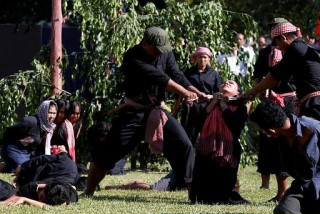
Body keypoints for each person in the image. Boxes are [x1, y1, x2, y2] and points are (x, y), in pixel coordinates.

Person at [84, 26, 205, 197]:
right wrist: (185, 93)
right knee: (109, 152)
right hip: (134, 112)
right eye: (156, 49)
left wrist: (195, 91)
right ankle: (88, 191)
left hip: (158, 110)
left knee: (183, 145)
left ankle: (195, 194)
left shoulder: (165, 52)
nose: (160, 53)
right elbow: (160, 78)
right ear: (146, 44)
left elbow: (176, 75)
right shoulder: (132, 57)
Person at [250, 100, 320, 214]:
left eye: (264, 130)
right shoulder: (281, 139)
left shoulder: (310, 127)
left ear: (271, 130)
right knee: (284, 212)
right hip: (305, 183)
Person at [243, 21, 320, 131]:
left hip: (315, 105)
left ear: (283, 38)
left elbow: (274, 76)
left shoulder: (295, 49)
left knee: (319, 142)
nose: (278, 48)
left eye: (277, 43)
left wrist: (253, 91)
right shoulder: (304, 47)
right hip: (315, 103)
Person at [252, 17, 296, 202]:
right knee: (270, 144)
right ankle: (278, 190)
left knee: (289, 142)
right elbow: (258, 76)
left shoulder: (294, 52)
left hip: (291, 102)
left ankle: (292, 189)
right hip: (271, 102)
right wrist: (259, 92)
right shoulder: (265, 53)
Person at [190, 80, 248, 204]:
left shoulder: (240, 107)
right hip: (207, 146)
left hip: (228, 148)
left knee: (223, 185)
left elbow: (235, 125)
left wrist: (223, 105)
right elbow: (198, 122)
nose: (226, 83)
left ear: (237, 93)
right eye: (224, 83)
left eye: (231, 83)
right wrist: (214, 102)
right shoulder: (209, 103)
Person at [1, 100, 57, 173]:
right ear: (44, 111)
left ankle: (7, 167)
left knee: (38, 169)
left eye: (54, 113)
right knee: (26, 170)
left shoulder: (47, 127)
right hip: (12, 149)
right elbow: (9, 130)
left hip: (27, 152)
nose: (52, 116)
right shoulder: (31, 121)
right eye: (49, 112)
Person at [180, 46, 222, 144]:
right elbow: (182, 89)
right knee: (189, 136)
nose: (202, 59)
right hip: (191, 108)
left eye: (205, 57)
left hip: (208, 108)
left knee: (206, 136)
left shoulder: (214, 74)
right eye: (200, 57)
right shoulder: (189, 73)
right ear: (196, 58)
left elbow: (218, 91)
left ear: (208, 59)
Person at [0, 178, 78, 206]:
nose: (40, 201)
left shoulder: (69, 198)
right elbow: (13, 198)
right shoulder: (32, 187)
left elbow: (51, 208)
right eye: (41, 197)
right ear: (43, 188)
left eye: (45, 201)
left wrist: (25, 199)